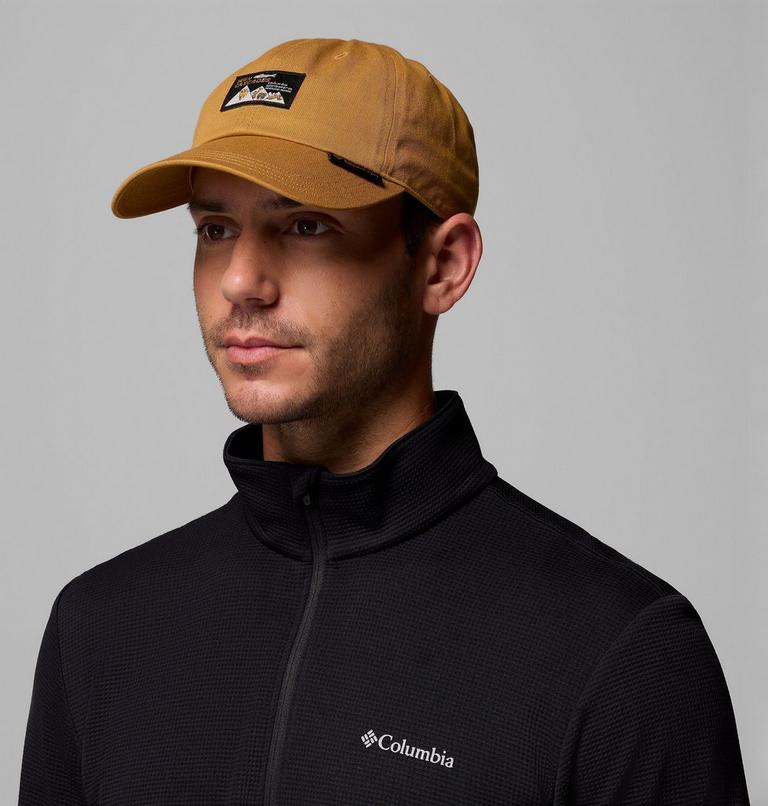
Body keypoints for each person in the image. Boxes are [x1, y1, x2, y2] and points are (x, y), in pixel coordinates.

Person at [19, 37, 750, 805]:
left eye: (306, 226)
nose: (240, 280)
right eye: (215, 229)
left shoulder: (619, 654)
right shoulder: (99, 630)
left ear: (443, 265)